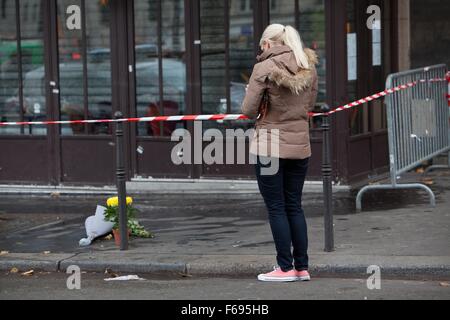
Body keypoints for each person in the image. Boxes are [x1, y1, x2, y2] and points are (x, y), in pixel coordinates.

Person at [241, 24, 318, 282]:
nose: (261, 50)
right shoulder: (308, 66)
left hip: (270, 145)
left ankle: (284, 268)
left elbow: (248, 110)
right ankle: (301, 267)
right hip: (299, 143)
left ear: (269, 43)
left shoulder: (263, 68)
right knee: (294, 205)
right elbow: (310, 104)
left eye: (262, 45)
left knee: (276, 207)